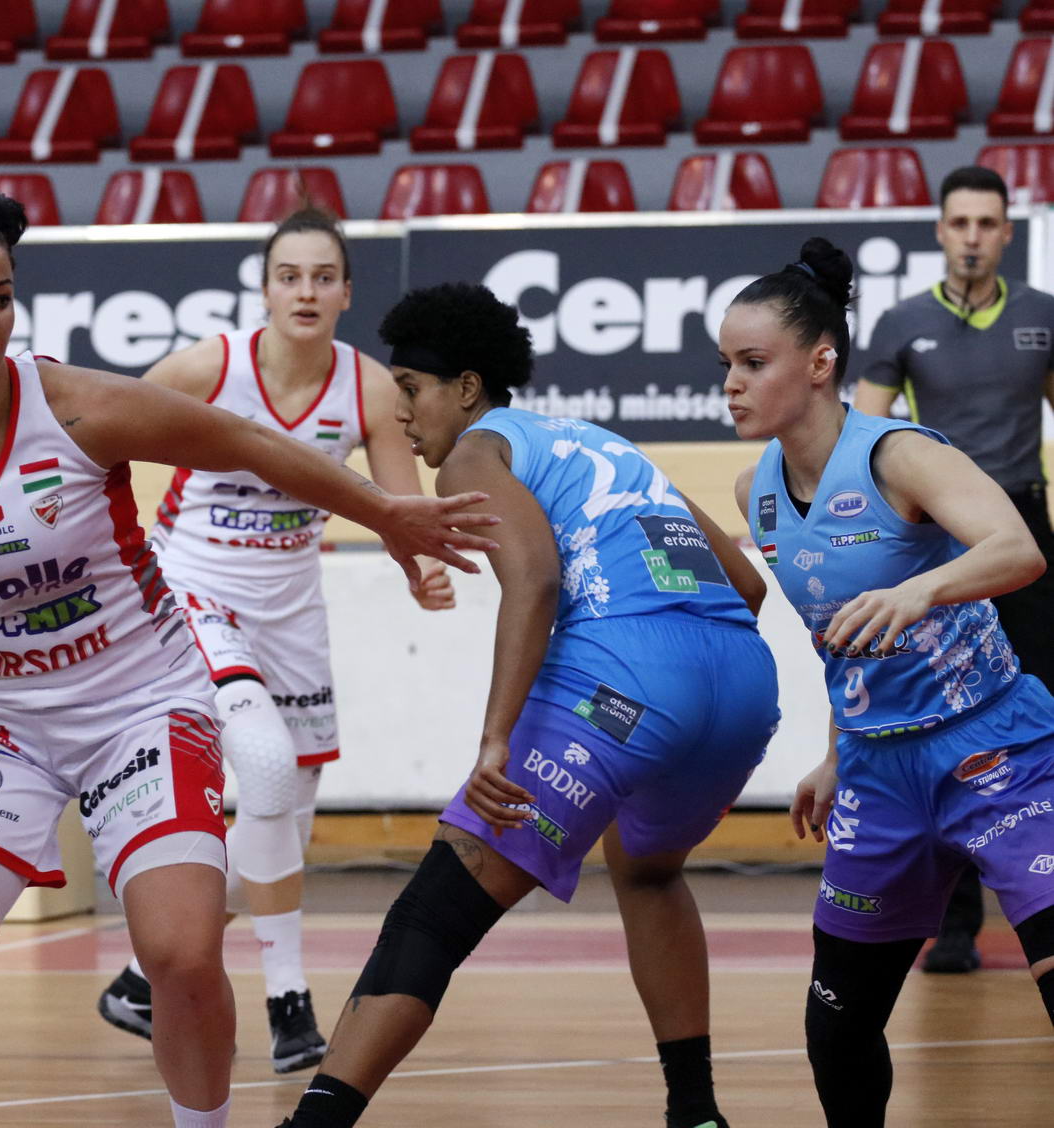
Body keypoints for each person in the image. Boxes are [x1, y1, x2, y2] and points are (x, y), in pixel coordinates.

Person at [0, 175, 498, 1128]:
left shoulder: (75, 406)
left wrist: (386, 513)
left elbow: (243, 441)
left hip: (141, 702)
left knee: (182, 953)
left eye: (2, 297)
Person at [278, 282, 779, 1128]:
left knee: (439, 907)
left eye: (411, 389)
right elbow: (746, 584)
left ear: (468, 388)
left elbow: (535, 578)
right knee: (649, 874)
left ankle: (314, 1124)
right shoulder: (601, 443)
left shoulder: (478, 451)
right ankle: (696, 1113)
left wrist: (496, 739)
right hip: (743, 689)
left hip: (628, 681)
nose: (399, 414)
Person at [94, 206, 454, 1074]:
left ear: (346, 293)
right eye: (289, 276)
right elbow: (98, 429)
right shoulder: (207, 367)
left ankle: (141, 980)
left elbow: (397, 507)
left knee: (284, 818)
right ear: (263, 289)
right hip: (193, 590)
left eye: (322, 277)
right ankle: (288, 1001)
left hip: (292, 611)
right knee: (258, 761)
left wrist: (421, 568)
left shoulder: (368, 387)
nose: (305, 291)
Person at [720, 237, 1054, 1128]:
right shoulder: (755, 492)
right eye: (727, 366)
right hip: (878, 772)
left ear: (820, 362)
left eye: (753, 363)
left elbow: (1018, 549)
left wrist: (920, 589)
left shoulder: (896, 453)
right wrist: (836, 754)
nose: (733, 385)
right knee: (837, 1027)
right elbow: (840, 644)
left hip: (996, 748)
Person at [853, 164, 1054, 973]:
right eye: (960, 222)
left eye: (986, 223)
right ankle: (959, 925)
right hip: (941, 539)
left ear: (1007, 233)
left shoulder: (1043, 316)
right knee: (950, 718)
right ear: (940, 232)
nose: (972, 237)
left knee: (1042, 710)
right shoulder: (902, 322)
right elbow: (862, 438)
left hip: (1027, 532)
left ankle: (1044, 894)